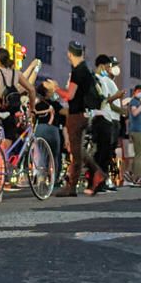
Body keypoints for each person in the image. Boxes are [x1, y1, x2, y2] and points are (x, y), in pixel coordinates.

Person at [49, 41, 107, 197]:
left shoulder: (77, 71)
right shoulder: (86, 70)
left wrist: (56, 88)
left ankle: (76, 184)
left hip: (76, 115)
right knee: (78, 152)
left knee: (76, 153)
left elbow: (70, 95)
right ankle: (87, 179)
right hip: (86, 114)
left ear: (69, 54)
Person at [93, 55, 124, 190]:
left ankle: (102, 181)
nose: (110, 69)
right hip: (102, 117)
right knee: (103, 152)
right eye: (108, 66)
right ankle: (98, 182)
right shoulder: (97, 79)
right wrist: (116, 97)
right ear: (101, 66)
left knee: (105, 152)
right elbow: (103, 100)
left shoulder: (104, 80)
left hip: (107, 118)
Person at [126, 84, 141, 186]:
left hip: (139, 130)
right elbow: (135, 112)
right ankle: (137, 177)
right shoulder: (134, 101)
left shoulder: (138, 102)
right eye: (140, 91)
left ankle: (130, 173)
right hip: (136, 131)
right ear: (135, 91)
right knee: (139, 154)